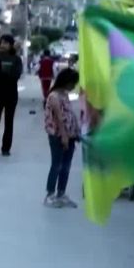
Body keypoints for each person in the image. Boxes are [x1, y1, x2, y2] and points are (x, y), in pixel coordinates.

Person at [44, 68, 81, 208]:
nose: (73, 86)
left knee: (66, 166)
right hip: (57, 136)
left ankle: (61, 193)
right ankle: (50, 194)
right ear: (66, 82)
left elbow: (70, 115)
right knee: (57, 165)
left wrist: (75, 132)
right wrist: (64, 135)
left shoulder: (65, 95)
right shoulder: (54, 96)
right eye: (72, 83)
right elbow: (59, 118)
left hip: (70, 136)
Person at [0, 34, 24, 156]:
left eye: (6, 43)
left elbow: (16, 75)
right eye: (1, 42)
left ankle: (6, 148)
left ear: (11, 45)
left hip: (11, 94)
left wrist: (1, 75)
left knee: (9, 122)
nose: (3, 45)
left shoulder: (16, 59)